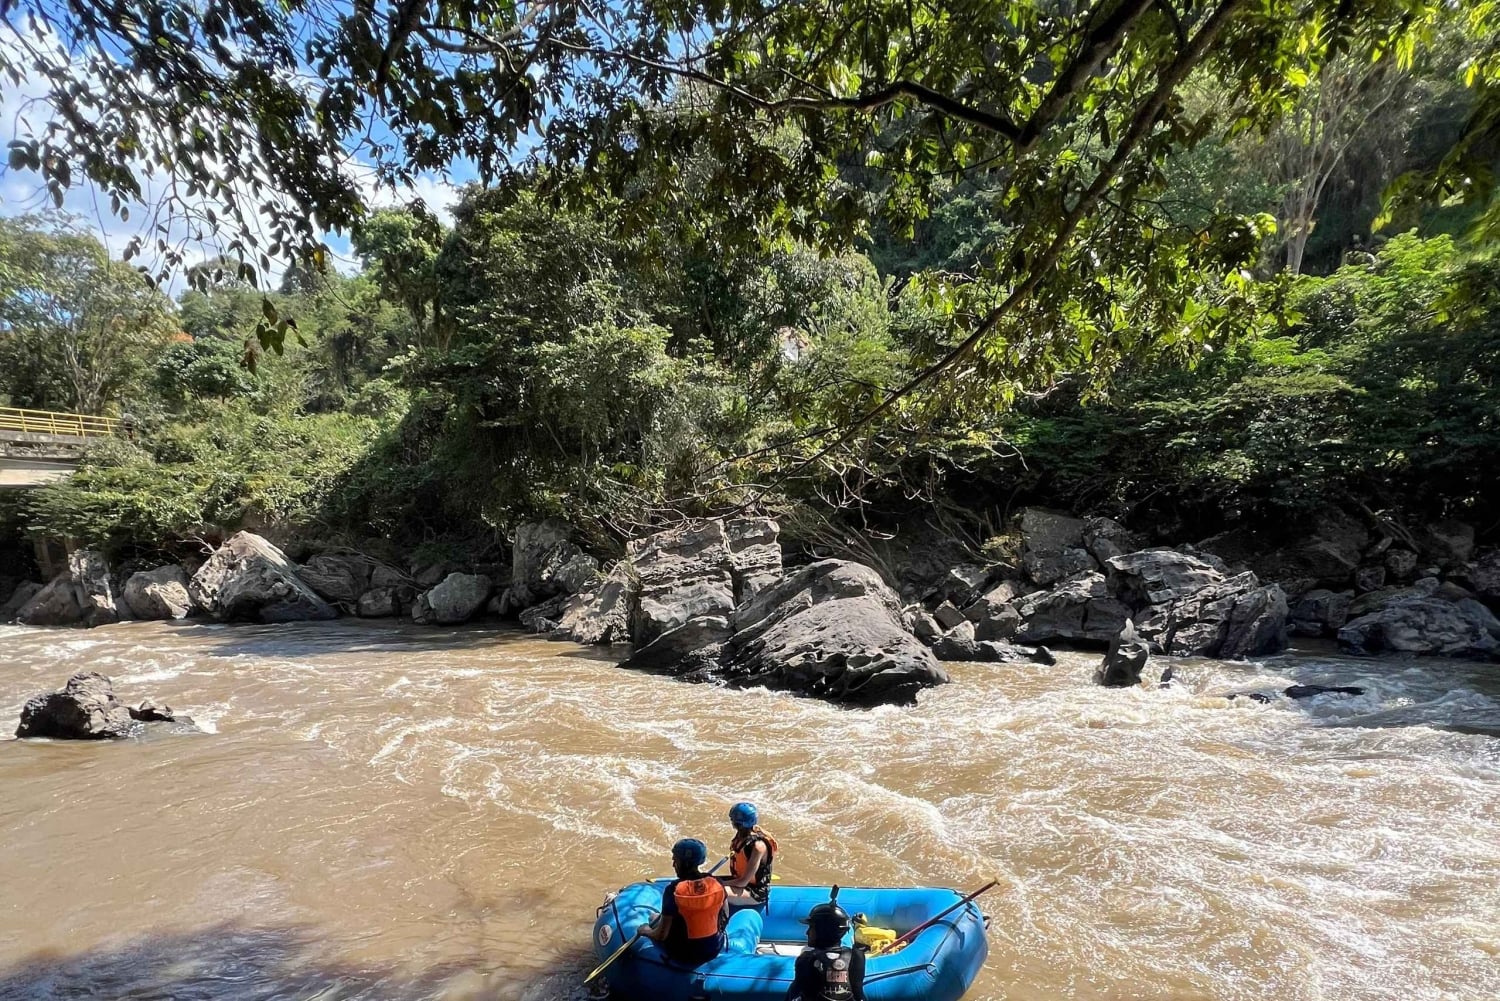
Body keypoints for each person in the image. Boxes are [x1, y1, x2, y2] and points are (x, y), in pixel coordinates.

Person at [640, 838, 728, 965]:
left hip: (683, 954)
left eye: (675, 860)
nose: (673, 864)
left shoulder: (673, 890)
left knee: (652, 919)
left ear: (682, 863)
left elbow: (661, 935)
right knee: (656, 917)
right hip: (713, 949)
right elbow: (724, 917)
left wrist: (645, 930)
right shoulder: (717, 883)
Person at [787, 890, 866, 1001]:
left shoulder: (806, 959)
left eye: (811, 928)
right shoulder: (857, 956)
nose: (807, 933)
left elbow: (792, 995)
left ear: (823, 930)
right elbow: (859, 995)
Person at [723, 801, 777, 908]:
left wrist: (719, 883)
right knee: (708, 881)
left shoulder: (758, 847)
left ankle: (722, 922)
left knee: (716, 891)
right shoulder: (742, 835)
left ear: (738, 823)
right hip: (742, 883)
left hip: (755, 892)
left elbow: (743, 882)